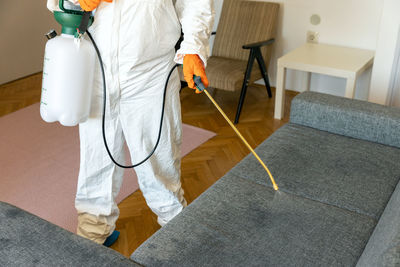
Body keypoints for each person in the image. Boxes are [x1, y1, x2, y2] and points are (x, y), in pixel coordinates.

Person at [47, 0, 214, 245]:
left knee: (158, 158)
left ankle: (177, 233)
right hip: (95, 67)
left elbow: (196, 3)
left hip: (150, 72)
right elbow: (56, 3)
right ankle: (93, 232)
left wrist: (193, 47)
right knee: (97, 158)